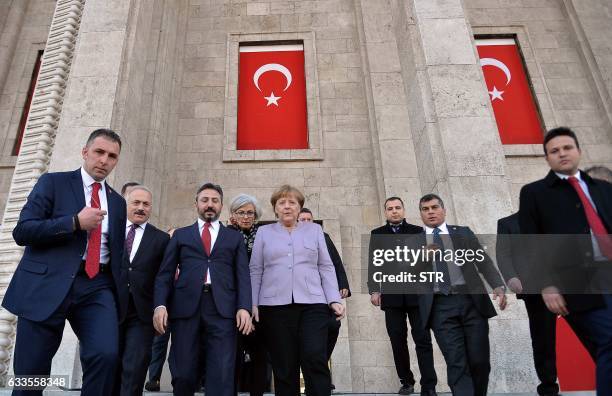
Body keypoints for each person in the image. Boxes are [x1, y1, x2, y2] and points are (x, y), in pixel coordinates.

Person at [3, 129, 126, 396]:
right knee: (29, 373)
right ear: (85, 152)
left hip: (96, 286)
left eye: (112, 156)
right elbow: (22, 231)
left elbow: (117, 254)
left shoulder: (117, 202)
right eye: (99, 152)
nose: (104, 160)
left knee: (106, 355)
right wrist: (73, 223)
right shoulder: (52, 183)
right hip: (46, 283)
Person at [519, 127, 612, 394]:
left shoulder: (603, 189)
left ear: (578, 151)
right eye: (554, 151)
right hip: (578, 282)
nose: (562, 154)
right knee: (609, 340)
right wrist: (547, 286)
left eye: (567, 148)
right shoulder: (535, 194)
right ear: (547, 158)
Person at [153, 182, 252, 396]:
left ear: (221, 205)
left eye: (214, 201)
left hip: (223, 311)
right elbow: (165, 274)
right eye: (205, 200)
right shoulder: (181, 235)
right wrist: (160, 305)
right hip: (186, 309)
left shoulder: (234, 238)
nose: (210, 204)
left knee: (221, 372)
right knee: (183, 372)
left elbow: (243, 275)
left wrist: (244, 307)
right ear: (196, 204)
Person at [250, 185, 345, 396]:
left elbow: (326, 266)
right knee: (284, 366)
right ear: (275, 208)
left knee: (314, 357)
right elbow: (256, 269)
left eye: (292, 202)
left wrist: (334, 299)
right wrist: (253, 303)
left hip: (313, 305)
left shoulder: (315, 230)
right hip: (274, 307)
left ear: (299, 208)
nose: (287, 207)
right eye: (282, 203)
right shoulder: (264, 233)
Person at [416, 194, 506, 396]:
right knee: (456, 362)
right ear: (421, 214)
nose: (430, 212)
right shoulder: (415, 240)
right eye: (425, 209)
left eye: (434, 207)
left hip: (471, 302)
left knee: (480, 360)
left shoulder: (463, 233)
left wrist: (498, 285)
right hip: (440, 306)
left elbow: (482, 261)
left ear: (443, 210)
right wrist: (422, 258)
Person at [367, 197, 437, 396]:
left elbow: (427, 263)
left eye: (398, 208)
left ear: (404, 210)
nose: (394, 211)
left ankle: (429, 385)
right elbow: (374, 264)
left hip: (417, 294)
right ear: (386, 212)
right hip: (391, 295)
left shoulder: (418, 231)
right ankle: (406, 381)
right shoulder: (377, 234)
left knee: (422, 339)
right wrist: (374, 289)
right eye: (390, 208)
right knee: (397, 340)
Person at [496, 212, 560, 395]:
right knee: (543, 339)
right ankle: (549, 387)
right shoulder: (507, 223)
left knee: (597, 332)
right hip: (535, 289)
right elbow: (503, 254)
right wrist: (511, 277)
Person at [114, 185, 170, 395]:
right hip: (110, 309)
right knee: (108, 362)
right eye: (135, 203)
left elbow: (163, 277)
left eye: (146, 204)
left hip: (142, 313)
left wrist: (160, 305)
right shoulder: (112, 231)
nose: (141, 208)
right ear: (125, 204)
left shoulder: (161, 239)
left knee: (135, 367)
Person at [298, 207, 351, 392]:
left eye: (308, 219)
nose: (305, 222)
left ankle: (320, 370)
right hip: (305, 299)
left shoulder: (323, 237)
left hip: (326, 295)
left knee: (333, 326)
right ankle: (318, 377)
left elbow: (335, 262)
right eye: (301, 219)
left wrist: (343, 284)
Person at [227, 194, 270, 396]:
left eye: (250, 213)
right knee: (232, 357)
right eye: (241, 212)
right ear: (233, 215)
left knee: (260, 356)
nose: (245, 217)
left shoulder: (264, 235)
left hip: (260, 305)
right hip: (230, 305)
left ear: (256, 215)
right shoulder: (224, 235)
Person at [145, 228, 177, 393]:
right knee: (158, 345)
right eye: (170, 237)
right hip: (162, 309)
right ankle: (153, 379)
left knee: (178, 349)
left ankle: (177, 381)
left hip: (180, 311)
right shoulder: (161, 260)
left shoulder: (186, 260)